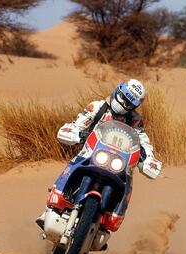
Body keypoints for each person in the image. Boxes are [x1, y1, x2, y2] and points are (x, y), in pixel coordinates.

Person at [36, 79, 162, 230]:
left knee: (127, 180)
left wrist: (148, 158)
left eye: (129, 103)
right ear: (117, 91)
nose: (123, 104)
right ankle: (52, 206)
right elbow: (79, 122)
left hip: (119, 162)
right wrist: (74, 131)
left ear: (135, 106)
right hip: (91, 153)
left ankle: (110, 216)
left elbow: (143, 140)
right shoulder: (97, 107)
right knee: (75, 163)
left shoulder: (135, 120)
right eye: (123, 98)